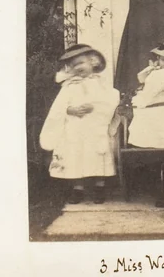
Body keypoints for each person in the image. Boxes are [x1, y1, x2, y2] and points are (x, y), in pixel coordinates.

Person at [39, 43, 119, 206]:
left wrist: (95, 107)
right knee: (75, 153)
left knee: (98, 152)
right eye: (73, 65)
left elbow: (110, 100)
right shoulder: (69, 86)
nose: (77, 68)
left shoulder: (100, 83)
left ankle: (100, 187)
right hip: (75, 127)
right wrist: (71, 110)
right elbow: (59, 106)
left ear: (93, 62)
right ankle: (78, 188)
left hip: (94, 125)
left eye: (81, 63)